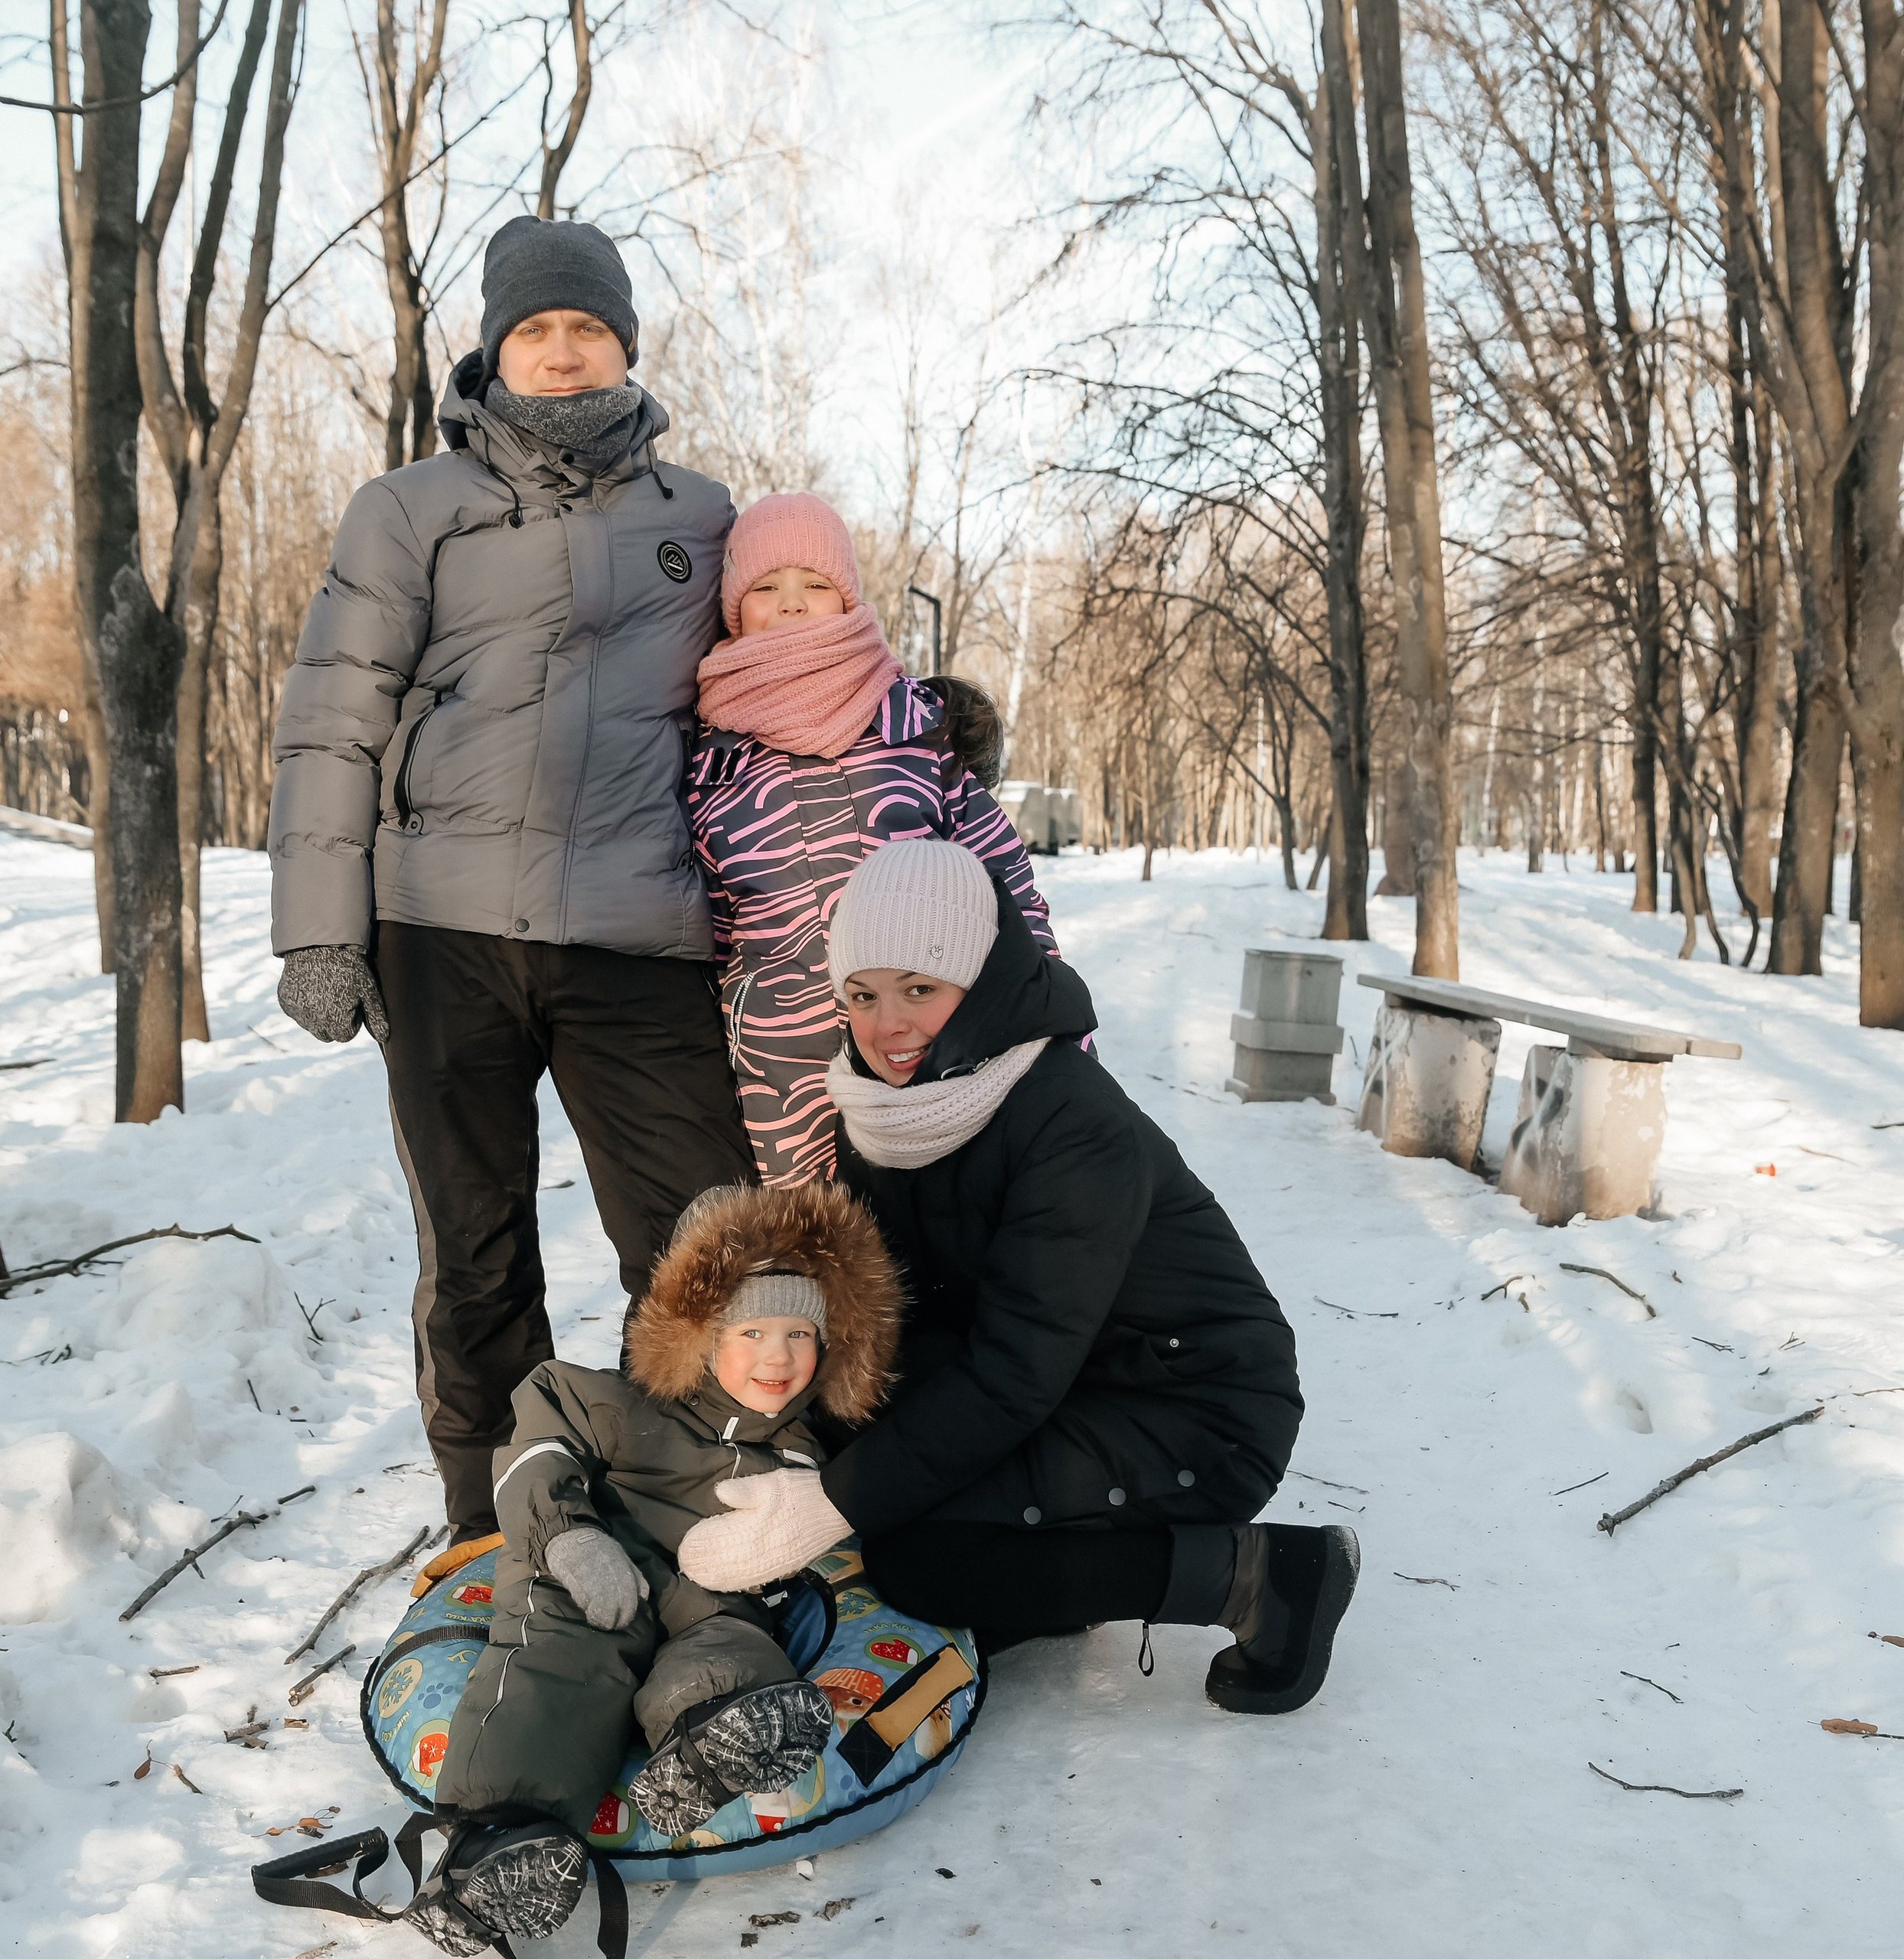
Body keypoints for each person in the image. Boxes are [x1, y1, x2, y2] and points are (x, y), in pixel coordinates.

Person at [267, 216, 758, 1550]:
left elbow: (783, 678)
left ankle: (714, 1510)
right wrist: (320, 933)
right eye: (533, 331)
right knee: (476, 1257)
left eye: (583, 329)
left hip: (637, 933)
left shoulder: (704, 521)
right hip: (443, 931)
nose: (557, 353)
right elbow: (334, 717)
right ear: (493, 347)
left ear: (626, 345)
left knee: (703, 1243)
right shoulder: (409, 509)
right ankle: (496, 1531)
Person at [678, 839, 1359, 1714]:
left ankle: (1261, 1577)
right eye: (862, 995)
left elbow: (1014, 1370)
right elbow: (902, 1311)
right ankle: (1055, 1571)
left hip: (1194, 1407)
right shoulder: (888, 1109)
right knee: (871, 1456)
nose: (887, 1026)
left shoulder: (1071, 1121)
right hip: (1074, 1378)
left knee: (916, 1557)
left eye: (919, 989)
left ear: (984, 976)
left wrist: (830, 1505)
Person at [405, 1182, 901, 1954]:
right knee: (558, 1664)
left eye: (801, 1333)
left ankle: (711, 1735)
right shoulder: (611, 1399)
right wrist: (567, 1536)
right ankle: (500, 1841)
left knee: (734, 1640)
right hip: (590, 1570)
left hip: (708, 1593)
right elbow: (534, 1448)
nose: (778, 1356)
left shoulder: (801, 1454)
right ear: (698, 1331)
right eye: (753, 1330)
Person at [686, 491, 1055, 1185]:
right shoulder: (712, 759)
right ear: (735, 611)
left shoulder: (913, 731)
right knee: (815, 1254)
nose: (791, 604)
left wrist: (1048, 1001)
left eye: (815, 584)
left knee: (934, 1235)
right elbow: (707, 927)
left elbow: (1002, 880)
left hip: (924, 1041)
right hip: (781, 1066)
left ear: (848, 599)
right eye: (765, 588)